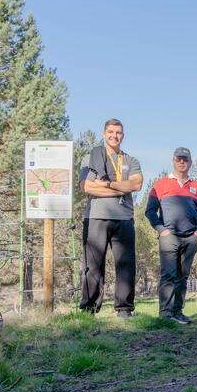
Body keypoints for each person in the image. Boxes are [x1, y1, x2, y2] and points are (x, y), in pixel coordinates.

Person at [78, 118, 143, 318]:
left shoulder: (131, 160)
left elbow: (136, 185)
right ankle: (89, 309)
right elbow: (86, 186)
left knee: (126, 264)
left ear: (123, 135)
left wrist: (107, 184)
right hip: (96, 217)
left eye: (118, 132)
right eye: (111, 132)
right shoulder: (91, 157)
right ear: (104, 133)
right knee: (93, 265)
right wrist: (121, 188)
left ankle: (124, 309)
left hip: (124, 218)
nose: (115, 136)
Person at [145, 148, 197, 324]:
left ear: (190, 162)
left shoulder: (196, 187)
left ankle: (178, 312)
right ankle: (166, 315)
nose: (182, 162)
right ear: (173, 160)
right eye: (179, 159)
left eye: (185, 159)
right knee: (169, 274)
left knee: (183, 276)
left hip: (190, 238)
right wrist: (161, 229)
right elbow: (150, 211)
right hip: (169, 237)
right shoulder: (160, 184)